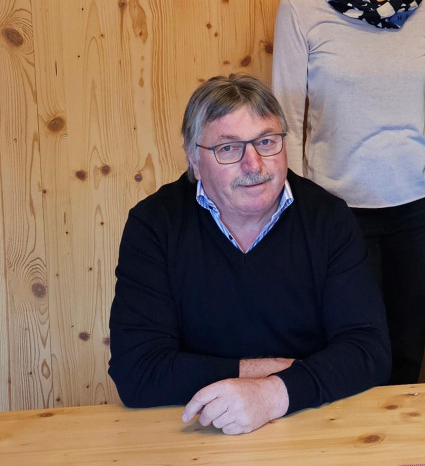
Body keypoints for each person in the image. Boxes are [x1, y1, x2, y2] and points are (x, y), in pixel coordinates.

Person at [108, 74, 390, 435]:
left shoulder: (328, 218)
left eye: (266, 142)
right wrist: (269, 374)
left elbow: (368, 350)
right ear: (195, 160)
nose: (253, 165)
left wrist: (273, 394)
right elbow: (137, 371)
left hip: (313, 420)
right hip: (197, 428)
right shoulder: (154, 225)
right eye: (228, 148)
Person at [272, 0, 425, 385]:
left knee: (407, 350)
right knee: (348, 349)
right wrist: (295, 213)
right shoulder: (302, 3)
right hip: (336, 207)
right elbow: (286, 120)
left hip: (414, 205)